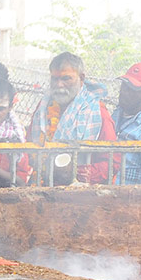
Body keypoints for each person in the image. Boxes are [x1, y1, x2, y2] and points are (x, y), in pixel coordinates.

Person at [27, 52, 116, 185]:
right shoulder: (43, 106)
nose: (59, 85)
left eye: (66, 78)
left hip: (79, 195)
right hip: (42, 185)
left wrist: (76, 173)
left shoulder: (97, 111)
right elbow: (29, 144)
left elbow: (113, 161)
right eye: (54, 79)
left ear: (81, 78)